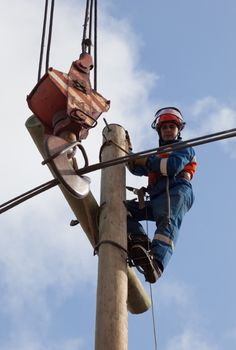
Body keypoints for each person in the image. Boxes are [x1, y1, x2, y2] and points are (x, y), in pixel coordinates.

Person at [126, 107, 197, 283]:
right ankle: (140, 241)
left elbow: (172, 166)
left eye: (171, 127)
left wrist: (147, 161)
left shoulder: (184, 148)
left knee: (167, 221)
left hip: (176, 191)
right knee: (121, 209)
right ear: (159, 130)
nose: (167, 130)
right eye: (164, 127)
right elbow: (137, 168)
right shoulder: (157, 155)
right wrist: (126, 154)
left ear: (178, 130)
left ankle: (156, 263)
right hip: (157, 197)